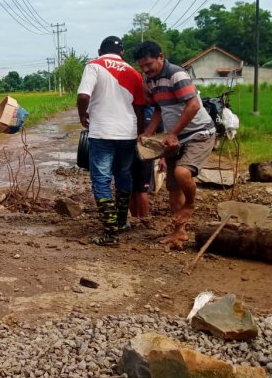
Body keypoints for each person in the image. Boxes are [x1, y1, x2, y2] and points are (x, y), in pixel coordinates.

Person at [132, 41, 216, 247]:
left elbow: (194, 105)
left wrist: (174, 133)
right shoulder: (151, 81)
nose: (145, 70)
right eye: (141, 66)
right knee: (173, 187)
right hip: (174, 137)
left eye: (149, 64)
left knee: (181, 173)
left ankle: (190, 205)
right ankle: (179, 232)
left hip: (199, 133)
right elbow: (159, 110)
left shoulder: (176, 75)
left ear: (161, 57)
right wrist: (148, 132)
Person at [77, 36, 145, 246]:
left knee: (101, 179)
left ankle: (110, 232)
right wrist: (139, 132)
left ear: (99, 51)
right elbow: (140, 107)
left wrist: (82, 115)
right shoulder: (134, 72)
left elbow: (83, 96)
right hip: (128, 133)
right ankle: (122, 222)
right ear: (122, 53)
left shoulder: (94, 66)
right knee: (124, 175)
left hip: (103, 132)